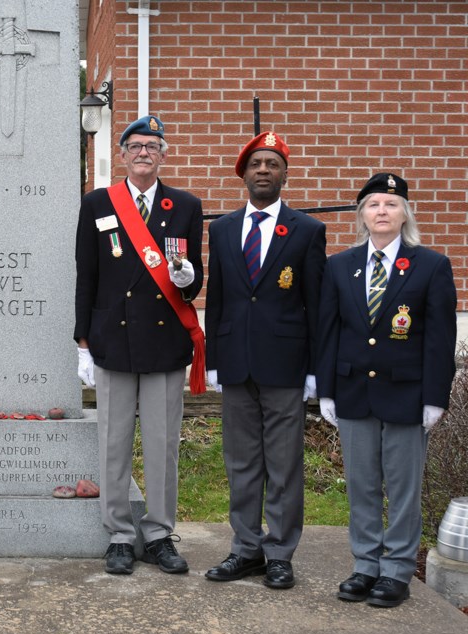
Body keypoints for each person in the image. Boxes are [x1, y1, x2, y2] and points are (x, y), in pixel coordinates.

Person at [74, 115, 206, 575]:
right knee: (113, 442)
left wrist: (189, 279)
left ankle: (159, 533)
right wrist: (83, 343)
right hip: (113, 340)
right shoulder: (97, 204)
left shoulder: (185, 205)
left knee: (162, 443)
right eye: (136, 145)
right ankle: (119, 534)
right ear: (124, 154)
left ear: (164, 155)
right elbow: (86, 274)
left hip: (164, 342)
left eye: (153, 145)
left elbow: (193, 275)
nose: (145, 152)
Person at [317, 173, 456, 608]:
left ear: (404, 214)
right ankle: (365, 565)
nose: (382, 211)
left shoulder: (430, 265)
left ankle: (396, 569)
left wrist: (436, 396)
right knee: (361, 485)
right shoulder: (341, 265)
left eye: (391, 205)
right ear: (362, 214)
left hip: (406, 395)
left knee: (403, 487)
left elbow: (439, 337)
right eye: (373, 204)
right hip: (354, 392)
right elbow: (328, 331)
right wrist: (326, 390)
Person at [204, 131, 327, 589]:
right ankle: (245, 548)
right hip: (235, 361)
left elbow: (316, 304)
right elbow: (216, 298)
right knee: (240, 461)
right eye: (256, 163)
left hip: (286, 363)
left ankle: (279, 553)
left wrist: (315, 369)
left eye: (272, 164)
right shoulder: (221, 229)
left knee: (283, 463)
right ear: (243, 173)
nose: (263, 171)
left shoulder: (307, 230)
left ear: (284, 174)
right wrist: (213, 360)